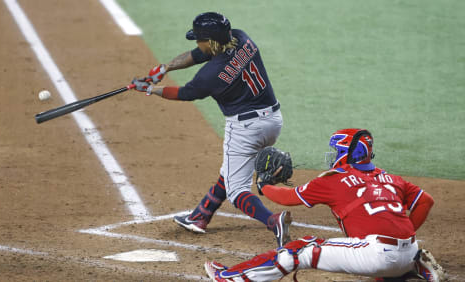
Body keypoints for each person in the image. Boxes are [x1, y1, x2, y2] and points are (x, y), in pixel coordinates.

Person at [131, 12, 291, 247]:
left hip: (246, 129)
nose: (197, 43)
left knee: (237, 192)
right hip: (273, 120)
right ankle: (200, 216)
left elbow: (185, 93)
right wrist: (166, 68)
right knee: (231, 168)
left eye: (199, 39)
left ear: (211, 41)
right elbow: (197, 55)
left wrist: (150, 89)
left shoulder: (210, 75)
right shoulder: (241, 38)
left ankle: (272, 221)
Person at [204, 128, 445, 282]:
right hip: (410, 250)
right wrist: (403, 240)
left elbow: (288, 198)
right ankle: (411, 268)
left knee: (301, 249)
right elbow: (425, 201)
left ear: (347, 154)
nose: (332, 156)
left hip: (377, 255)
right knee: (386, 254)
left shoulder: (335, 179)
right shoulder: (391, 178)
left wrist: (264, 184)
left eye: (336, 151)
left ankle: (231, 278)